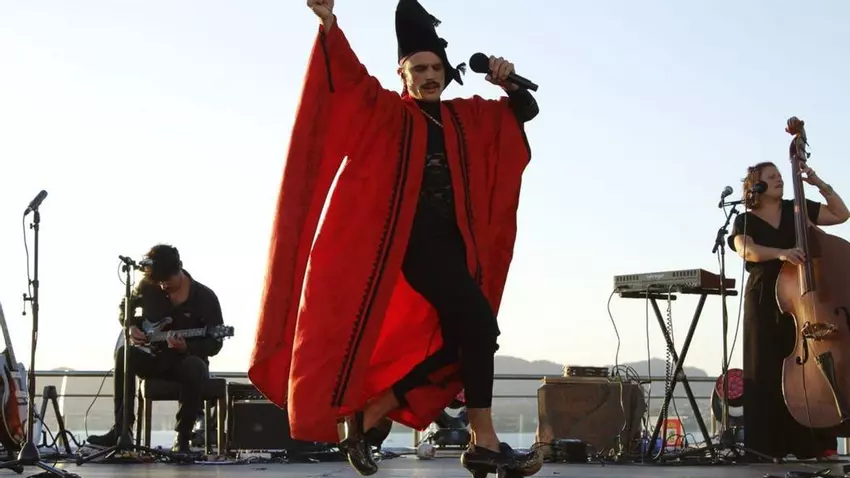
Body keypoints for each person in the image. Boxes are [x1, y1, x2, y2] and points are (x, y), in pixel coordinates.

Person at [248, 0, 539, 475]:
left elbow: (524, 111)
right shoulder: (388, 114)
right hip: (415, 248)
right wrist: (329, 24)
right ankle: (482, 440)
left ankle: (373, 414)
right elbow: (346, 81)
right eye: (418, 69)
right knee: (478, 327)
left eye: (436, 68)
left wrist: (507, 81)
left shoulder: (466, 117)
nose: (429, 76)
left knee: (469, 338)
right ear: (402, 74)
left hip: (458, 249)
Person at [728, 158, 850, 461]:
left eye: (780, 175)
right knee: (764, 367)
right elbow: (745, 249)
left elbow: (841, 214)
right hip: (763, 297)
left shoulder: (797, 209)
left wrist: (817, 182)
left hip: (804, 299)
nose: (779, 179)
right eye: (771, 176)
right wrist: (781, 253)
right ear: (756, 185)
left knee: (809, 369)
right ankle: (766, 447)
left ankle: (815, 443)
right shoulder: (745, 219)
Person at [86, 244, 225, 453]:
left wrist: (187, 346)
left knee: (195, 366)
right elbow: (125, 306)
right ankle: (122, 430)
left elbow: (215, 344)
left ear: (179, 268)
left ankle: (183, 437)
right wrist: (130, 325)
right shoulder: (147, 286)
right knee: (125, 355)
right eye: (159, 282)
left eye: (167, 281)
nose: (163, 286)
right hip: (153, 357)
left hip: (185, 362)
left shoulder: (205, 297)